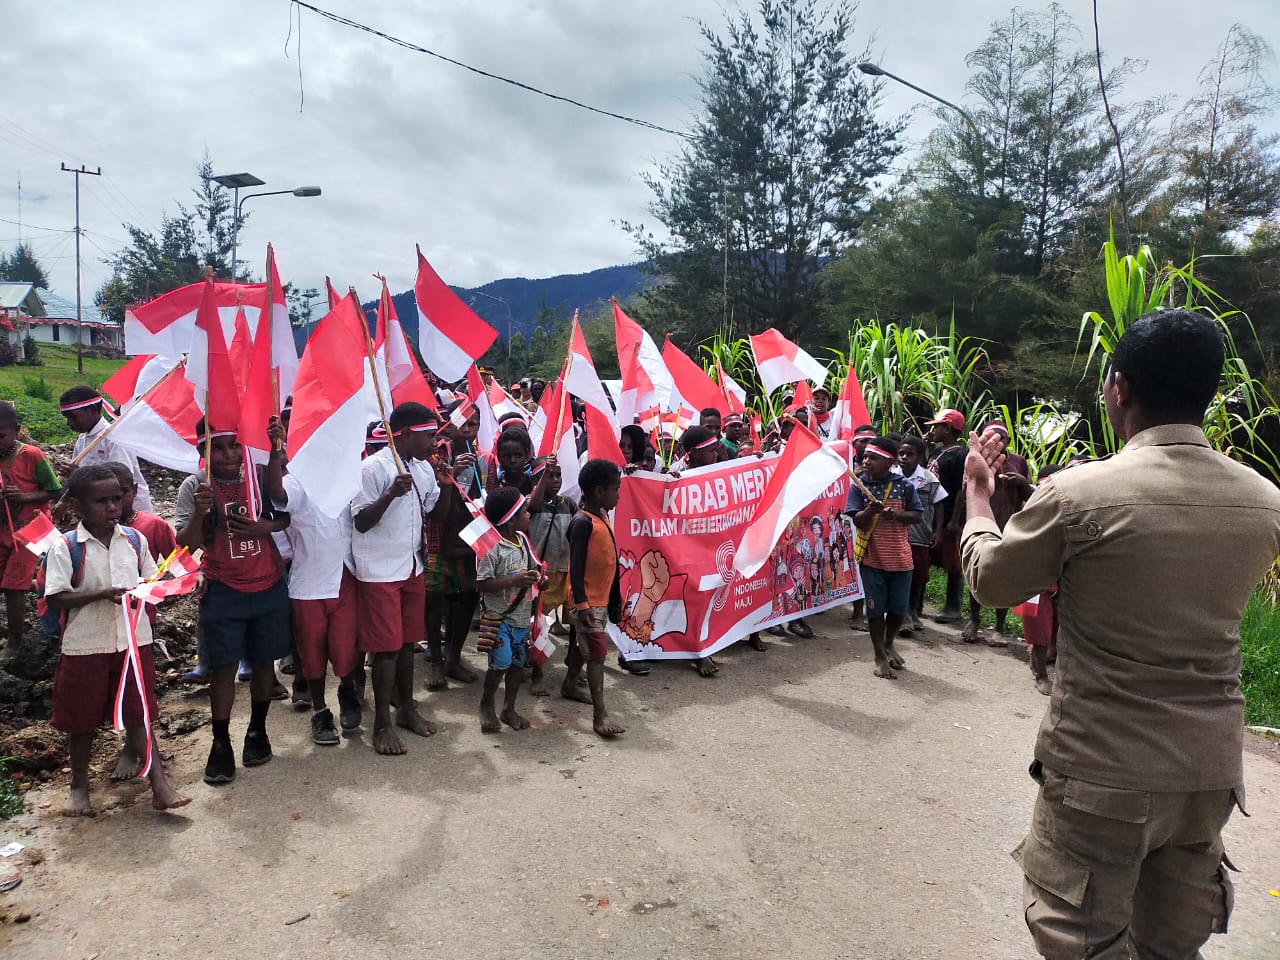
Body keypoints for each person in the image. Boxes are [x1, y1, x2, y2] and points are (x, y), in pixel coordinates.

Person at [962, 309, 1280, 959]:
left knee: (1083, 938)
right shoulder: (1263, 501)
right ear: (1207, 393)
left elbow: (993, 583)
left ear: (1118, 388)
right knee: (1171, 943)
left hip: (1101, 773)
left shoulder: (1079, 496)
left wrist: (976, 497)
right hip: (1206, 777)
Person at [45, 463, 189, 816]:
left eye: (116, 499)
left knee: (140, 715)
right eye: (101, 501)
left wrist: (158, 589)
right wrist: (99, 594)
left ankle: (160, 784)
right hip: (86, 646)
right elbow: (55, 597)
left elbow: (148, 580)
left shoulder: (135, 540)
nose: (112, 507)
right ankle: (79, 788)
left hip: (132, 643)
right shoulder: (66, 547)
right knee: (81, 722)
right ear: (78, 505)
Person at [176, 419, 292, 784]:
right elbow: (185, 545)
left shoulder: (259, 477)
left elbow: (288, 514)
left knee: (262, 663)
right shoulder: (194, 487)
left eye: (234, 446)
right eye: (218, 448)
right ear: (202, 453)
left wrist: (265, 528)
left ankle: (257, 729)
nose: (228, 455)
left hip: (268, 583)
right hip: (223, 587)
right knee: (222, 668)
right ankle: (220, 741)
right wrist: (200, 511)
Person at [352, 402, 458, 756]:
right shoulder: (372, 469)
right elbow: (362, 522)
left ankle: (406, 709)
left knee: (408, 645)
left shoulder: (425, 469)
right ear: (407, 434)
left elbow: (436, 516)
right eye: (429, 436)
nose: (434, 444)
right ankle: (381, 724)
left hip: (411, 567)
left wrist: (445, 486)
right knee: (385, 651)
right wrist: (390, 494)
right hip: (379, 572)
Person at [263, 417, 363, 745]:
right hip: (308, 587)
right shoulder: (298, 482)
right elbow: (275, 491)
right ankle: (320, 711)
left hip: (344, 581)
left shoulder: (348, 480)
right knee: (312, 653)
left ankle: (347, 689)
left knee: (345, 649)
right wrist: (276, 451)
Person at [845, 436, 923, 680]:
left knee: (899, 610)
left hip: (900, 559)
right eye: (865, 457)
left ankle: (889, 643)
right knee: (875, 610)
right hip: (872, 559)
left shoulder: (904, 486)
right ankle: (879, 654)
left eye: (873, 458)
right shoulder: (858, 485)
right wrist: (870, 510)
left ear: (889, 461)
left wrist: (895, 515)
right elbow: (856, 519)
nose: (866, 461)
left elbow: (917, 515)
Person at [561, 458, 625, 737]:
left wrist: (614, 596)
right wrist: (583, 603)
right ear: (599, 492)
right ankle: (600, 716)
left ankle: (569, 683)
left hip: (598, 600)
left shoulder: (602, 516)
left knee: (581, 645)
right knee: (597, 655)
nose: (618, 495)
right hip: (586, 602)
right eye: (615, 489)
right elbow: (575, 567)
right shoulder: (582, 523)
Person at [475, 486, 544, 733]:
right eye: (525, 511)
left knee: (517, 664)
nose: (529, 515)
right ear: (511, 518)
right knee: (500, 665)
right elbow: (482, 583)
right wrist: (514, 581)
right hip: (498, 617)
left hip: (520, 618)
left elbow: (534, 566)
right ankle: (486, 704)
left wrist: (539, 579)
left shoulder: (522, 540)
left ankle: (509, 708)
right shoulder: (491, 547)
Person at [961, 422, 1031, 646]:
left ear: (1008, 442)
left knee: (1004, 576)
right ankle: (974, 620)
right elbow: (966, 490)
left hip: (1008, 524)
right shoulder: (975, 458)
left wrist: (1020, 483)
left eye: (1001, 439)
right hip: (982, 521)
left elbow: (1029, 493)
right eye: (991, 438)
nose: (997, 443)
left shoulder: (1018, 461)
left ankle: (999, 628)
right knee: (978, 570)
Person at [0, 401, 62, 653]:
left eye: (1, 436)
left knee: (13, 587)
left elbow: (54, 489)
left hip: (30, 529)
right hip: (4, 528)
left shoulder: (31, 456)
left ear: (16, 430)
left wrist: (23, 496)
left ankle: (15, 642)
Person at [57, 386, 153, 513]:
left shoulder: (114, 438)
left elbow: (121, 480)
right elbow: (76, 476)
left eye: (73, 417)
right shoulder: (82, 440)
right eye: (67, 418)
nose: (69, 423)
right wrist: (63, 501)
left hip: (128, 509)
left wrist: (77, 474)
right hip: (103, 510)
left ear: (92, 410)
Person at [896, 437, 946, 634]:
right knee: (899, 575)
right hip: (897, 536)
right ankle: (903, 615)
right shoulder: (891, 476)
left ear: (919, 457)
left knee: (918, 576)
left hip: (920, 535)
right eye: (901, 453)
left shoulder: (929, 479)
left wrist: (939, 530)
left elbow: (939, 504)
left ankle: (913, 611)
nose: (904, 458)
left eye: (910, 454)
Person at [925, 409, 967, 622]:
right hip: (932, 512)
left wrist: (954, 519)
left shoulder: (961, 454)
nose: (933, 430)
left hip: (950, 512)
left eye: (937, 427)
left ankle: (953, 606)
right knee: (926, 555)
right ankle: (916, 601)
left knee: (952, 560)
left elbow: (962, 488)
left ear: (948, 429)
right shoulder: (935, 451)